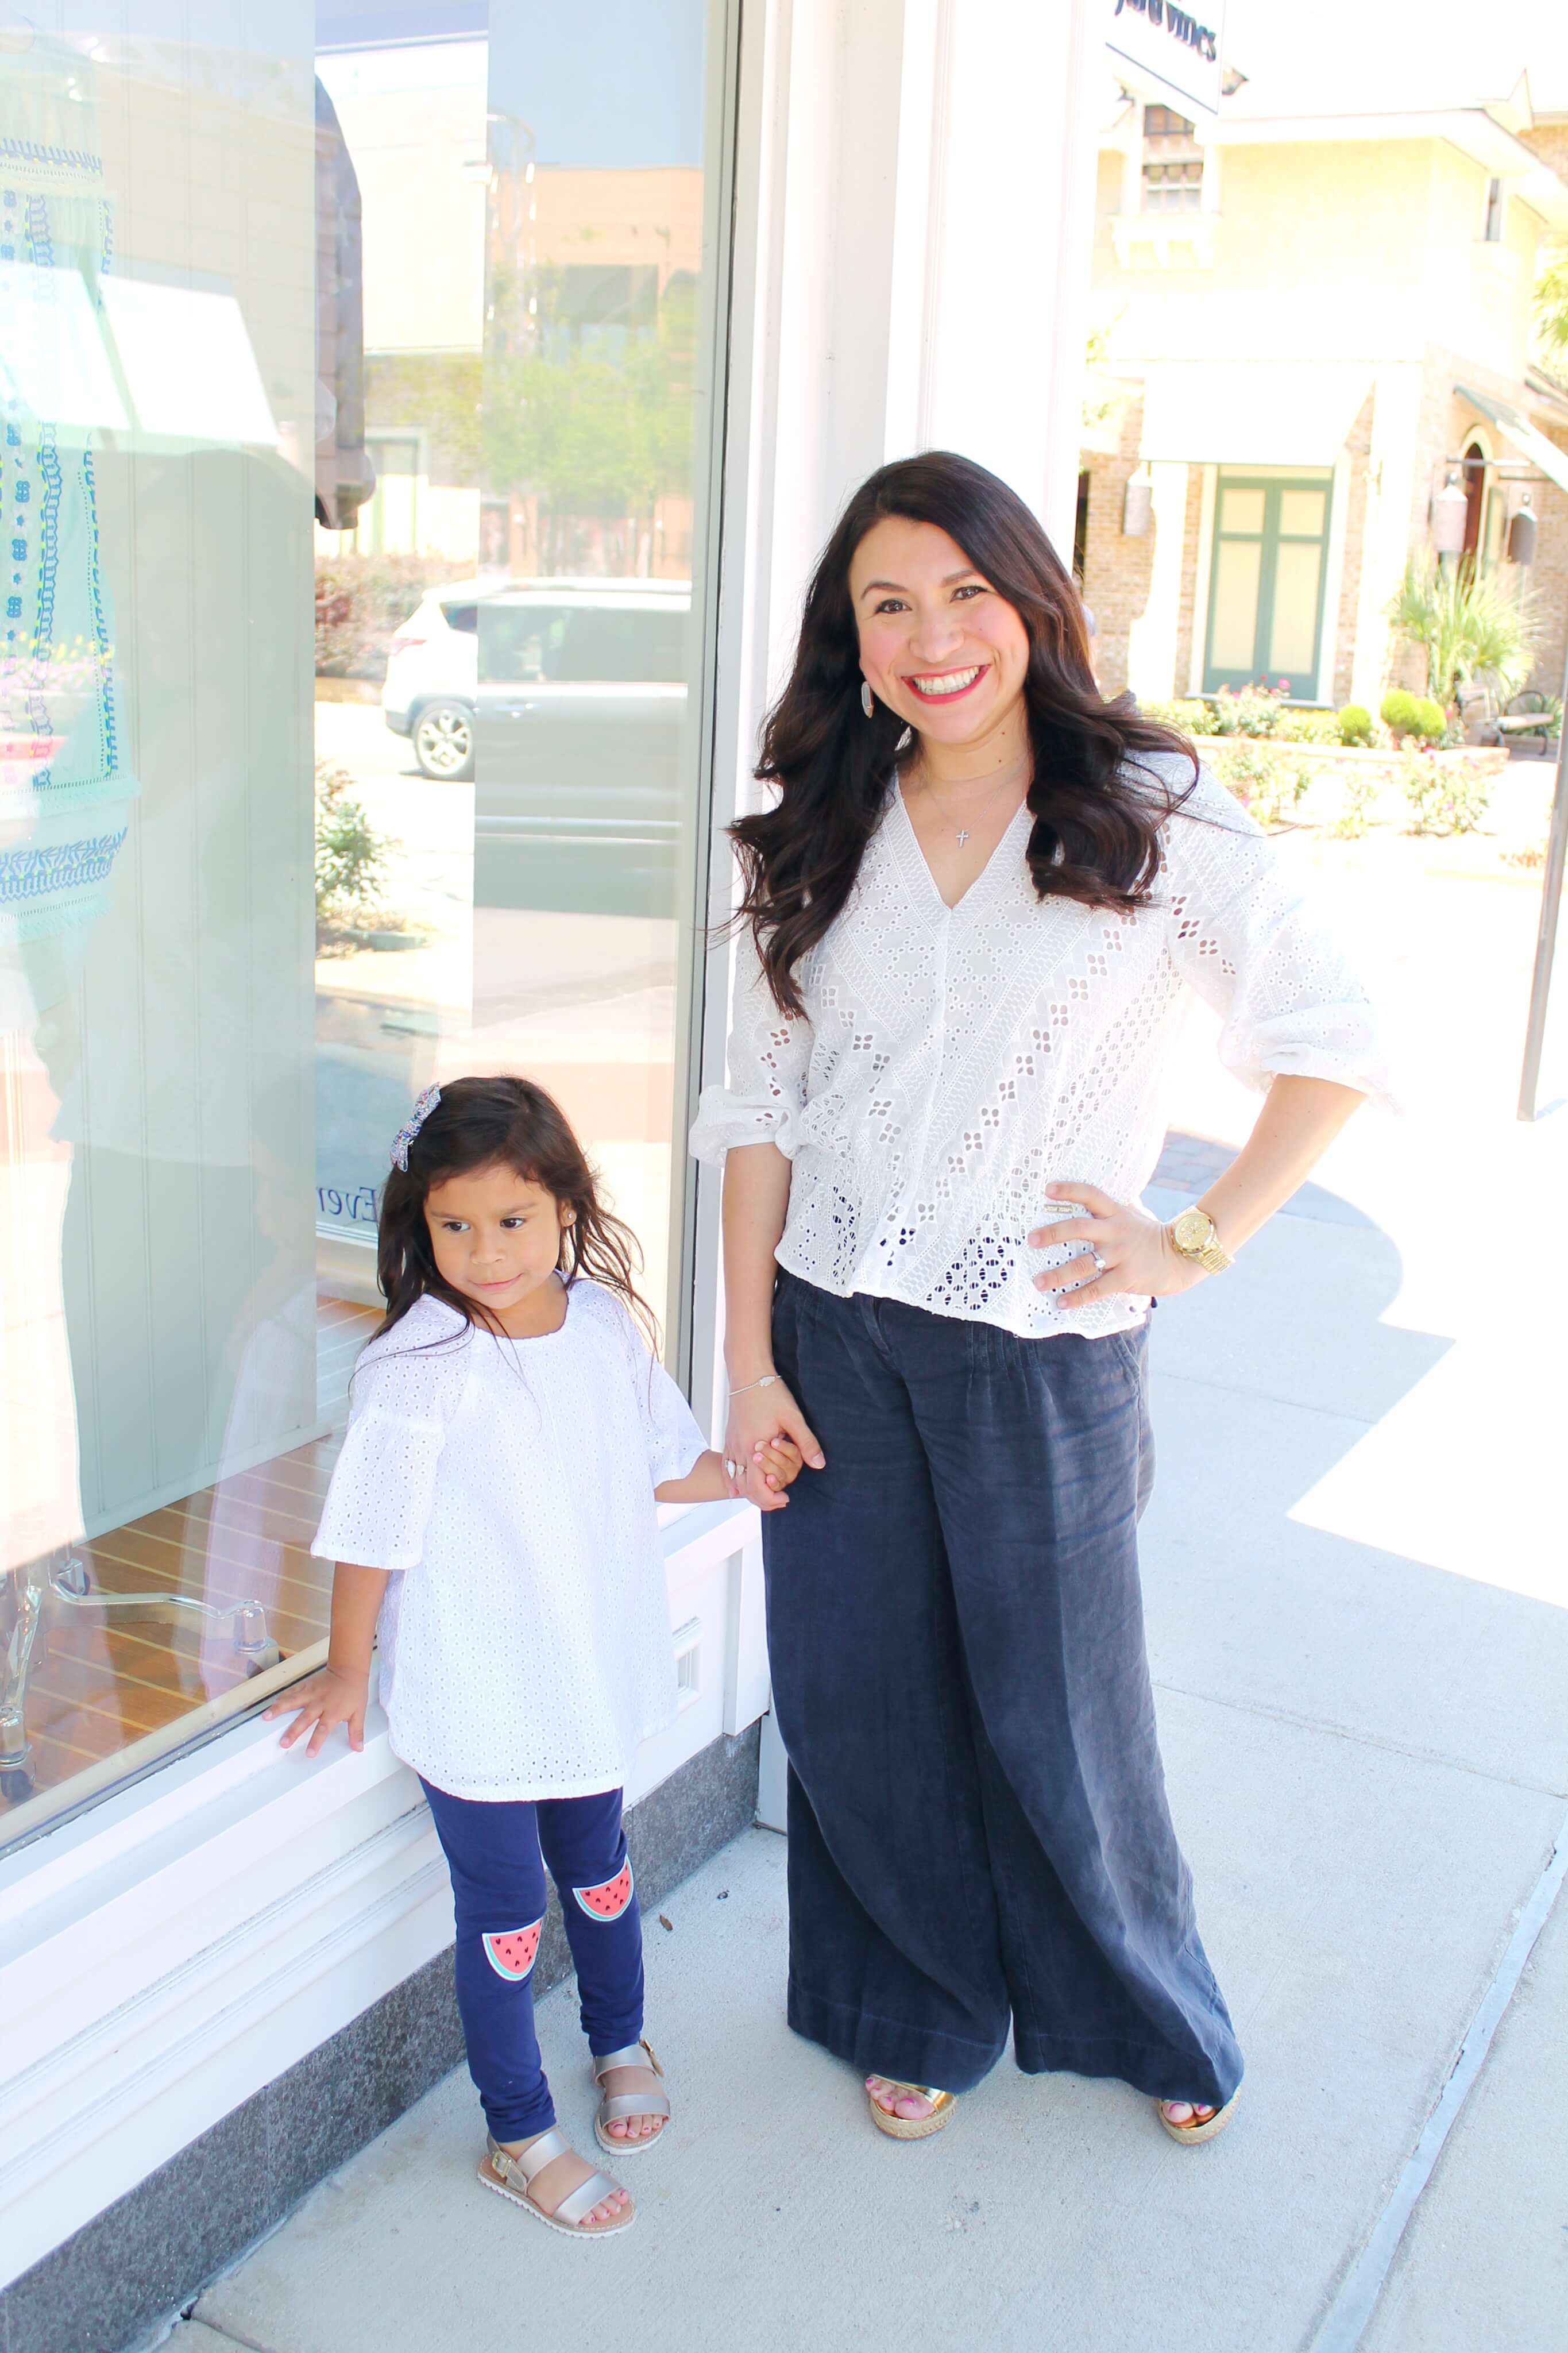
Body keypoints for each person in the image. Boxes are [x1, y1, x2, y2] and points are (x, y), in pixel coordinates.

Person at [691, 450, 1387, 2148]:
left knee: (1061, 1716)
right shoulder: (825, 821)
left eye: (967, 595)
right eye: (889, 605)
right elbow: (754, 1108)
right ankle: (907, 1999)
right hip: (832, 1331)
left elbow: (1332, 1038)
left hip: (1038, 1346)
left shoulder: (1143, 802)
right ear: (850, 640)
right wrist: (747, 1359)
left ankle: (1143, 2013)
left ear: (1030, 606)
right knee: (856, 1696)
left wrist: (1190, 1241)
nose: (935, 638)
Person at [269, 1075, 800, 2236]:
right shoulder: (419, 1365)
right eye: (453, 1224)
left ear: (566, 1207)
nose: (485, 1249)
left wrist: (736, 1475)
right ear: (420, 1225)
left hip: (582, 1668)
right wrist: (350, 1667)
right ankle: (519, 2131)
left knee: (603, 1871)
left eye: (513, 1219)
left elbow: (657, 1454)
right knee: (506, 1913)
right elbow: (371, 1536)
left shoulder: (604, 1325)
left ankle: (620, 2038)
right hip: (478, 1691)